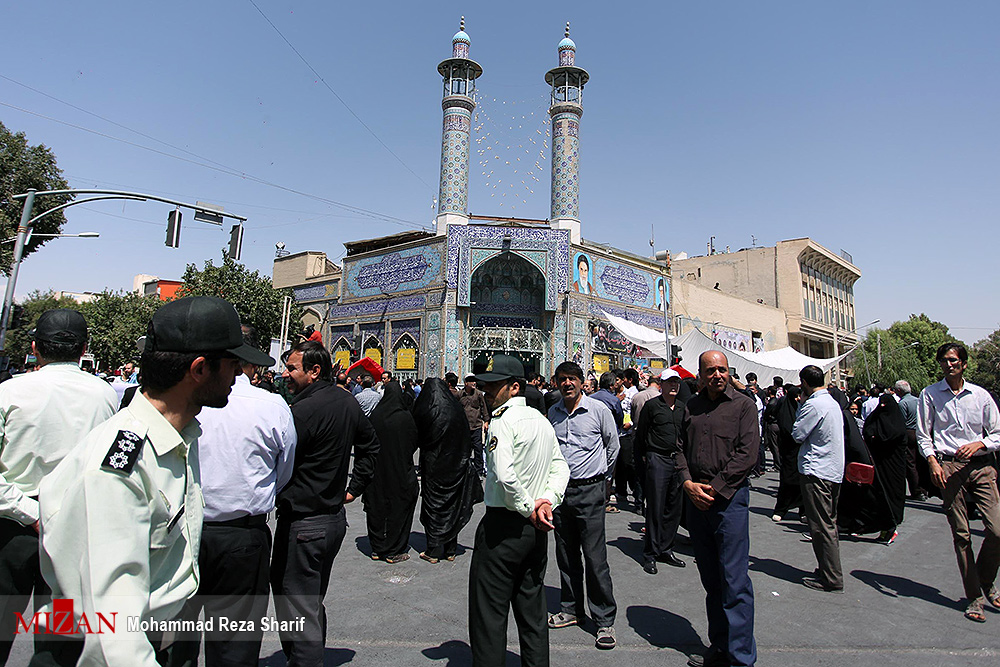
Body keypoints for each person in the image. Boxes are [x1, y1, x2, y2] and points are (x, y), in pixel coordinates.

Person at [33, 296, 268, 667]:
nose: (239, 375)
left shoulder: (178, 438)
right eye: (233, 364)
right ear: (200, 369)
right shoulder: (118, 468)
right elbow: (112, 632)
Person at [0, 309, 118, 665]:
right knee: (62, 636)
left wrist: (30, 511)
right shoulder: (105, 394)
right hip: (74, 530)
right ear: (85, 348)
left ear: (35, 348)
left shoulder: (10, 391)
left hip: (13, 530)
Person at [180, 325, 291, 666]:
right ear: (251, 364)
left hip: (182, 534)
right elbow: (283, 470)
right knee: (235, 643)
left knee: (175, 635)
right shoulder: (271, 405)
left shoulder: (184, 398)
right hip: (243, 537)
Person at [274, 341, 380, 666]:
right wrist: (353, 489)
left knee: (298, 607)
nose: (285, 374)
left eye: (292, 368)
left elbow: (278, 462)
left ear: (314, 370)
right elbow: (371, 446)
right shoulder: (347, 403)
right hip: (333, 520)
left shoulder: (302, 412)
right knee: (310, 602)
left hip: (305, 524)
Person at [468, 354, 570, 667]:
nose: (486, 392)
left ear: (514, 387)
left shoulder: (503, 422)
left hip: (504, 529)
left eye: (493, 386)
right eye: (484, 385)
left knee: (489, 616)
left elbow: (503, 474)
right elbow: (560, 466)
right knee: (533, 611)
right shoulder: (542, 421)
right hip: (536, 529)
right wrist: (547, 502)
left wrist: (530, 508)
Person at [678, 350, 758, 667]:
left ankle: (741, 658)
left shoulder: (744, 406)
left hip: (730, 501)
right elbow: (679, 450)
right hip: (697, 499)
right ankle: (720, 647)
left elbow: (747, 454)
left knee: (735, 582)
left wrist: (717, 487)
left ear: (729, 372)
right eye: (710, 370)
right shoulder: (692, 407)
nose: (717, 376)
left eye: (721, 370)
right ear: (700, 374)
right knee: (712, 581)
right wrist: (687, 483)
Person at [917, 342, 1000, 623]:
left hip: (981, 466)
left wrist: (979, 444)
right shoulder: (929, 395)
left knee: (997, 530)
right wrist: (933, 462)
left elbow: (997, 435)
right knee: (962, 535)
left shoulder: (981, 396)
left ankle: (986, 580)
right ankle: (975, 596)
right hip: (949, 467)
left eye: (953, 360)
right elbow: (924, 436)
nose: (948, 364)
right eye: (944, 360)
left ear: (964, 363)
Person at [546, 361, 620, 650]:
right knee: (565, 554)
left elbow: (612, 447)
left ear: (581, 382)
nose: (567, 384)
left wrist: (603, 479)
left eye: (572, 379)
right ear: (557, 383)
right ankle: (571, 609)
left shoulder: (599, 411)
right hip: (561, 493)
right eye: (562, 379)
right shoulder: (553, 413)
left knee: (594, 557)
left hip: (590, 490)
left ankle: (604, 619)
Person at [793, 365, 846, 593]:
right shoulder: (831, 403)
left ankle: (831, 576)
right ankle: (827, 567)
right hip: (832, 470)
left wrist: (801, 405)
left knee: (821, 526)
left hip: (817, 471)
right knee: (828, 523)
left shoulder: (814, 405)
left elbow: (797, 433)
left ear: (804, 382)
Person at [413, 378, 478, 563]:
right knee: (452, 506)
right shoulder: (455, 409)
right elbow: (466, 436)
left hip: (433, 466)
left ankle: (433, 550)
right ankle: (450, 549)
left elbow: (416, 434)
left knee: (434, 505)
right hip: (455, 466)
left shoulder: (427, 408)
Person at [634, 369, 688, 574]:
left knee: (674, 508)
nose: (674, 386)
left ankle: (666, 548)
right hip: (657, 459)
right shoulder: (652, 406)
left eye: (677, 383)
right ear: (661, 384)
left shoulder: (683, 408)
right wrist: (642, 462)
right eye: (670, 382)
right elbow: (641, 436)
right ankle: (650, 553)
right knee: (655, 508)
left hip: (677, 461)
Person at [364, 381, 419, 563]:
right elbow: (413, 442)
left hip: (378, 470)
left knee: (377, 506)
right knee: (400, 507)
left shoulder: (376, 415)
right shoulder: (405, 417)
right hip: (400, 469)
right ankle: (395, 549)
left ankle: (377, 548)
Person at [894, 380, 929, 501]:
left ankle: (916, 491)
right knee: (921, 462)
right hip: (920, 431)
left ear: (899, 391)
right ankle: (924, 488)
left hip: (909, 433)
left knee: (910, 463)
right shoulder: (918, 400)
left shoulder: (902, 403)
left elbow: (901, 422)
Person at [460, 375, 491, 478]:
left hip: (476, 425)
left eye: (474, 381)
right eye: (471, 381)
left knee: (478, 450)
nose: (474, 383)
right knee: (465, 450)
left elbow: (483, 408)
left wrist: (486, 421)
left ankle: (479, 471)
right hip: (464, 427)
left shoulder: (478, 394)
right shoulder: (460, 395)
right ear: (465, 383)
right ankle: (465, 471)